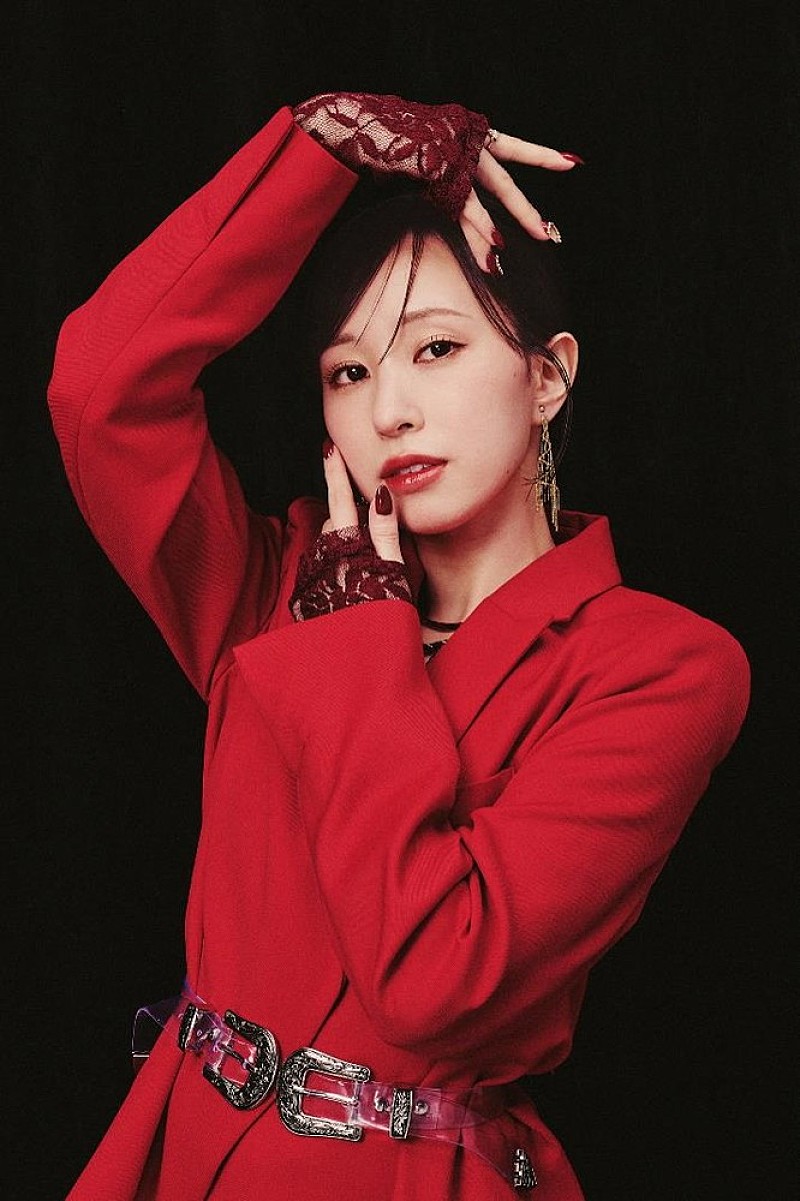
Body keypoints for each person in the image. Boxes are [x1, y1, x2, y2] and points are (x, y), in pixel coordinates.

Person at [47, 92, 749, 1200]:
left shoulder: (661, 667)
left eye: (435, 348)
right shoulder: (274, 586)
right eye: (349, 371)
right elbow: (99, 393)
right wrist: (322, 144)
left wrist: (362, 638)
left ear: (547, 376)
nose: (390, 413)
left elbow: (434, 978)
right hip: (181, 1155)